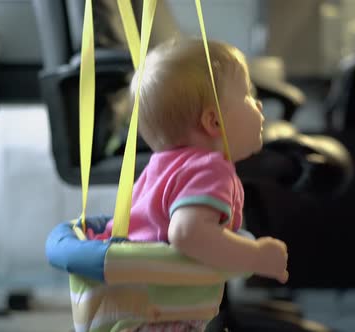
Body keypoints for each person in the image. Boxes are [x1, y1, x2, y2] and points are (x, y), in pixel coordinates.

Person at [84, 38, 289, 332]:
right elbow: (187, 233)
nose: (257, 104)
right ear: (213, 122)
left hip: (124, 306)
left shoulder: (158, 166)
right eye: (247, 95)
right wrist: (256, 256)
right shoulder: (210, 169)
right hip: (161, 314)